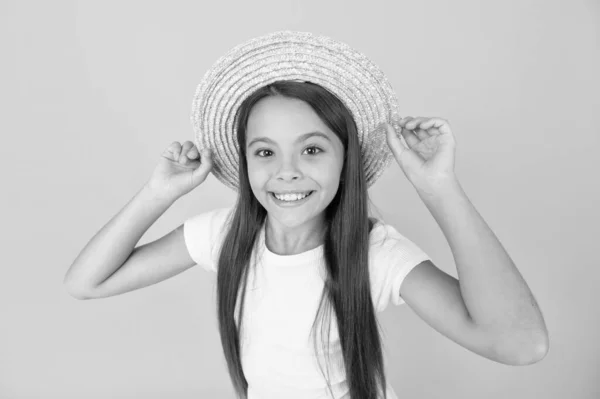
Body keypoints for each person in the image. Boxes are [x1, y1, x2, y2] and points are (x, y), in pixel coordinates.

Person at [64, 32, 549, 399]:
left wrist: (441, 190)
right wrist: (156, 193)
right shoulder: (224, 236)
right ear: (246, 160)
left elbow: (521, 344)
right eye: (265, 152)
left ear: (346, 160)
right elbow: (87, 281)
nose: (286, 173)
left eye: (312, 149)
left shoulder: (374, 255)